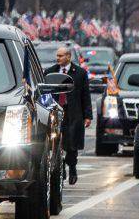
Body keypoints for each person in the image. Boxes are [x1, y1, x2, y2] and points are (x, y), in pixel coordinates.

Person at [44, 45, 92, 185]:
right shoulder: (50, 72)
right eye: (57, 56)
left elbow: (85, 95)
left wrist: (88, 116)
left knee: (71, 144)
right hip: (55, 112)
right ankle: (61, 168)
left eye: (60, 56)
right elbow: (45, 94)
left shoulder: (80, 73)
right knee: (56, 142)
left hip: (73, 113)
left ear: (68, 56)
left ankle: (72, 168)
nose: (57, 58)